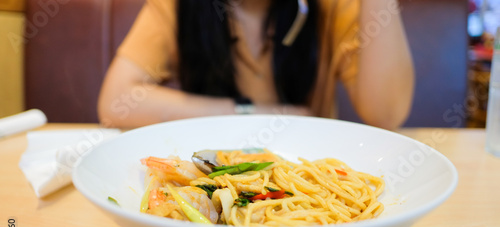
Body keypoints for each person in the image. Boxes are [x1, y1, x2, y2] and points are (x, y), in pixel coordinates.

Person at [98, 0, 414, 130]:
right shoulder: (178, 6)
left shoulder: (330, 6)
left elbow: (387, 113)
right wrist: (257, 112)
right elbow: (116, 102)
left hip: (311, 177)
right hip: (211, 174)